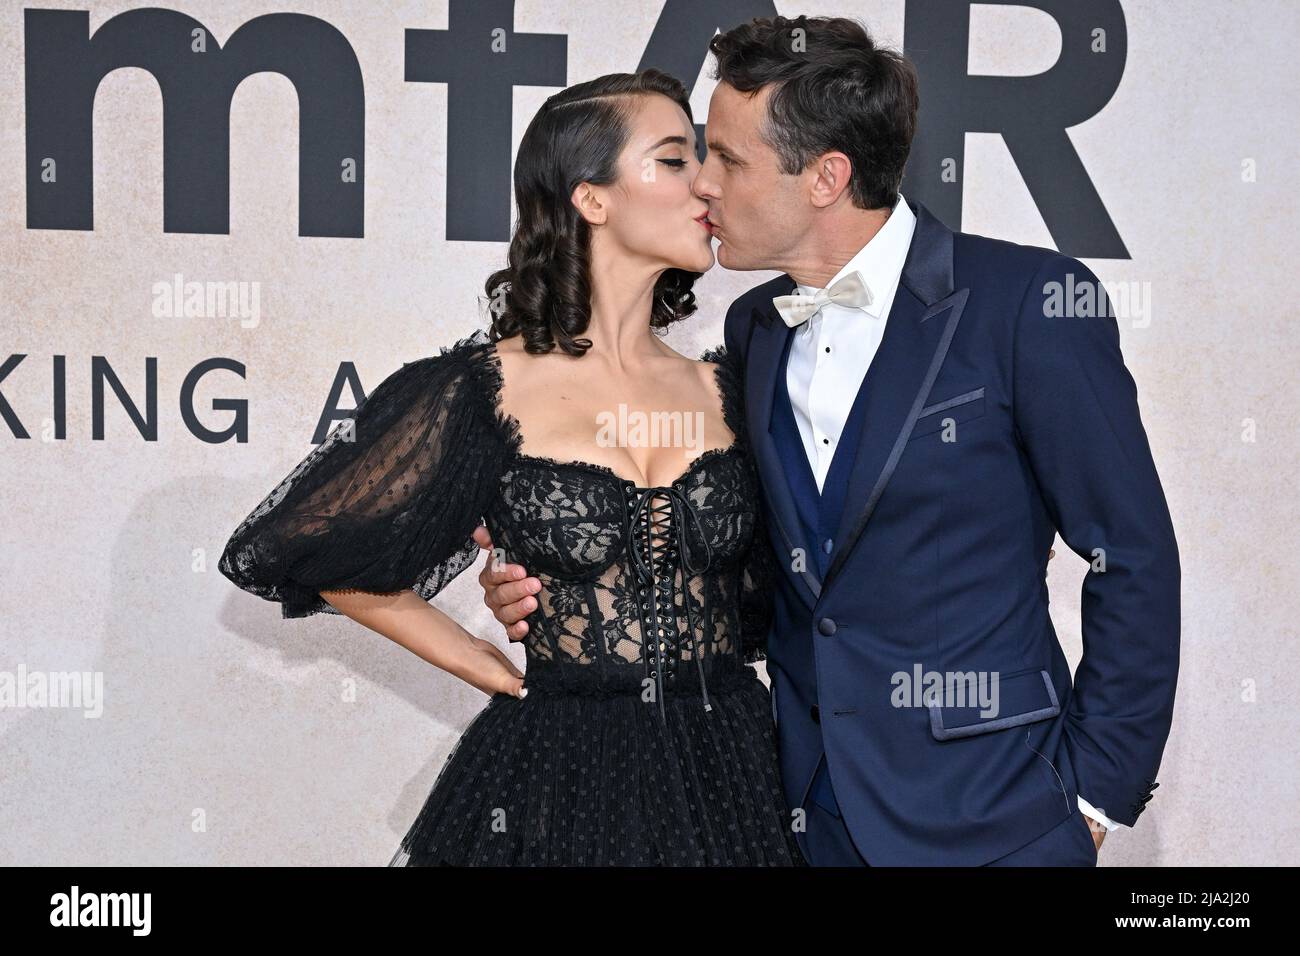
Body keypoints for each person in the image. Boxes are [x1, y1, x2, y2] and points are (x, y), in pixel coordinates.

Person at [477, 15, 1181, 866]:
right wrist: (573, 579)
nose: (703, 185)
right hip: (802, 816)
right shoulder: (755, 328)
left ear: (826, 177)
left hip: (998, 817)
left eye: (728, 160)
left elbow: (1132, 556)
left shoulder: (1026, 304)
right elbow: (758, 575)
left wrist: (1093, 799)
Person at [218, 68, 806, 866]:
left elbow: (784, 594)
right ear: (590, 197)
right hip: (559, 774)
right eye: (673, 159)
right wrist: (480, 662)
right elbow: (303, 546)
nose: (705, 183)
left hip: (731, 772)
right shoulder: (479, 389)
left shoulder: (738, 383)